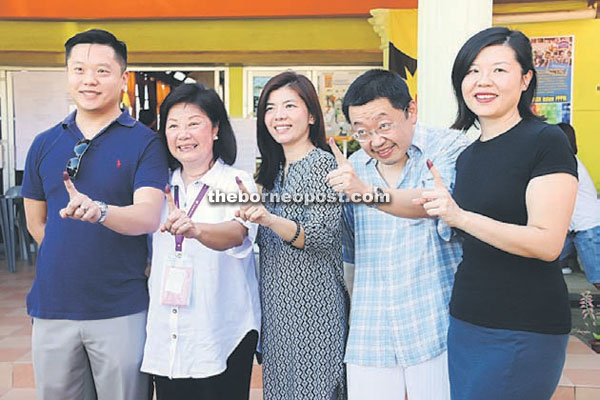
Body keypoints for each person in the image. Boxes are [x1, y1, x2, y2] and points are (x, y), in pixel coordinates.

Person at [416, 27, 578, 400]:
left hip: (524, 325)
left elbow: (547, 242)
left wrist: (459, 217)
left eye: (499, 70)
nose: (482, 81)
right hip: (468, 321)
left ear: (525, 80)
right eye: (472, 71)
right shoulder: (468, 155)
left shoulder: (545, 141)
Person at [22, 29, 168, 400]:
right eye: (79, 69)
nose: (89, 80)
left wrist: (101, 212)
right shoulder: (44, 142)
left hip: (121, 309)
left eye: (102, 71)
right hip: (53, 308)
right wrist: (73, 256)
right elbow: (37, 223)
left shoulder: (145, 142)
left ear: (123, 79)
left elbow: (149, 215)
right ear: (68, 75)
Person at [327, 69, 470, 400]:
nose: (375, 141)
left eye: (384, 126)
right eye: (361, 132)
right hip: (371, 330)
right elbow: (351, 253)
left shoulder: (449, 147)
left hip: (436, 323)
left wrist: (365, 193)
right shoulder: (355, 168)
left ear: (412, 111)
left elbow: (432, 203)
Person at [141, 83, 261, 400]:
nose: (184, 134)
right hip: (168, 330)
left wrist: (196, 230)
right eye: (173, 125)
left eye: (194, 123)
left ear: (216, 129)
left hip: (222, 328)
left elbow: (237, 233)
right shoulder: (157, 185)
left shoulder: (235, 181)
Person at [236, 71, 349, 399]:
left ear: (312, 115)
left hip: (315, 310)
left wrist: (270, 219)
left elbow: (321, 236)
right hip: (276, 312)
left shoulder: (323, 166)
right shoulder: (270, 172)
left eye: (289, 106)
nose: (278, 116)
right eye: (270, 108)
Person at [557, 122, 600, 289]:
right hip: (573, 229)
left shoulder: (566, 163)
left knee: (597, 279)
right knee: (543, 263)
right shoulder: (569, 160)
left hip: (586, 228)